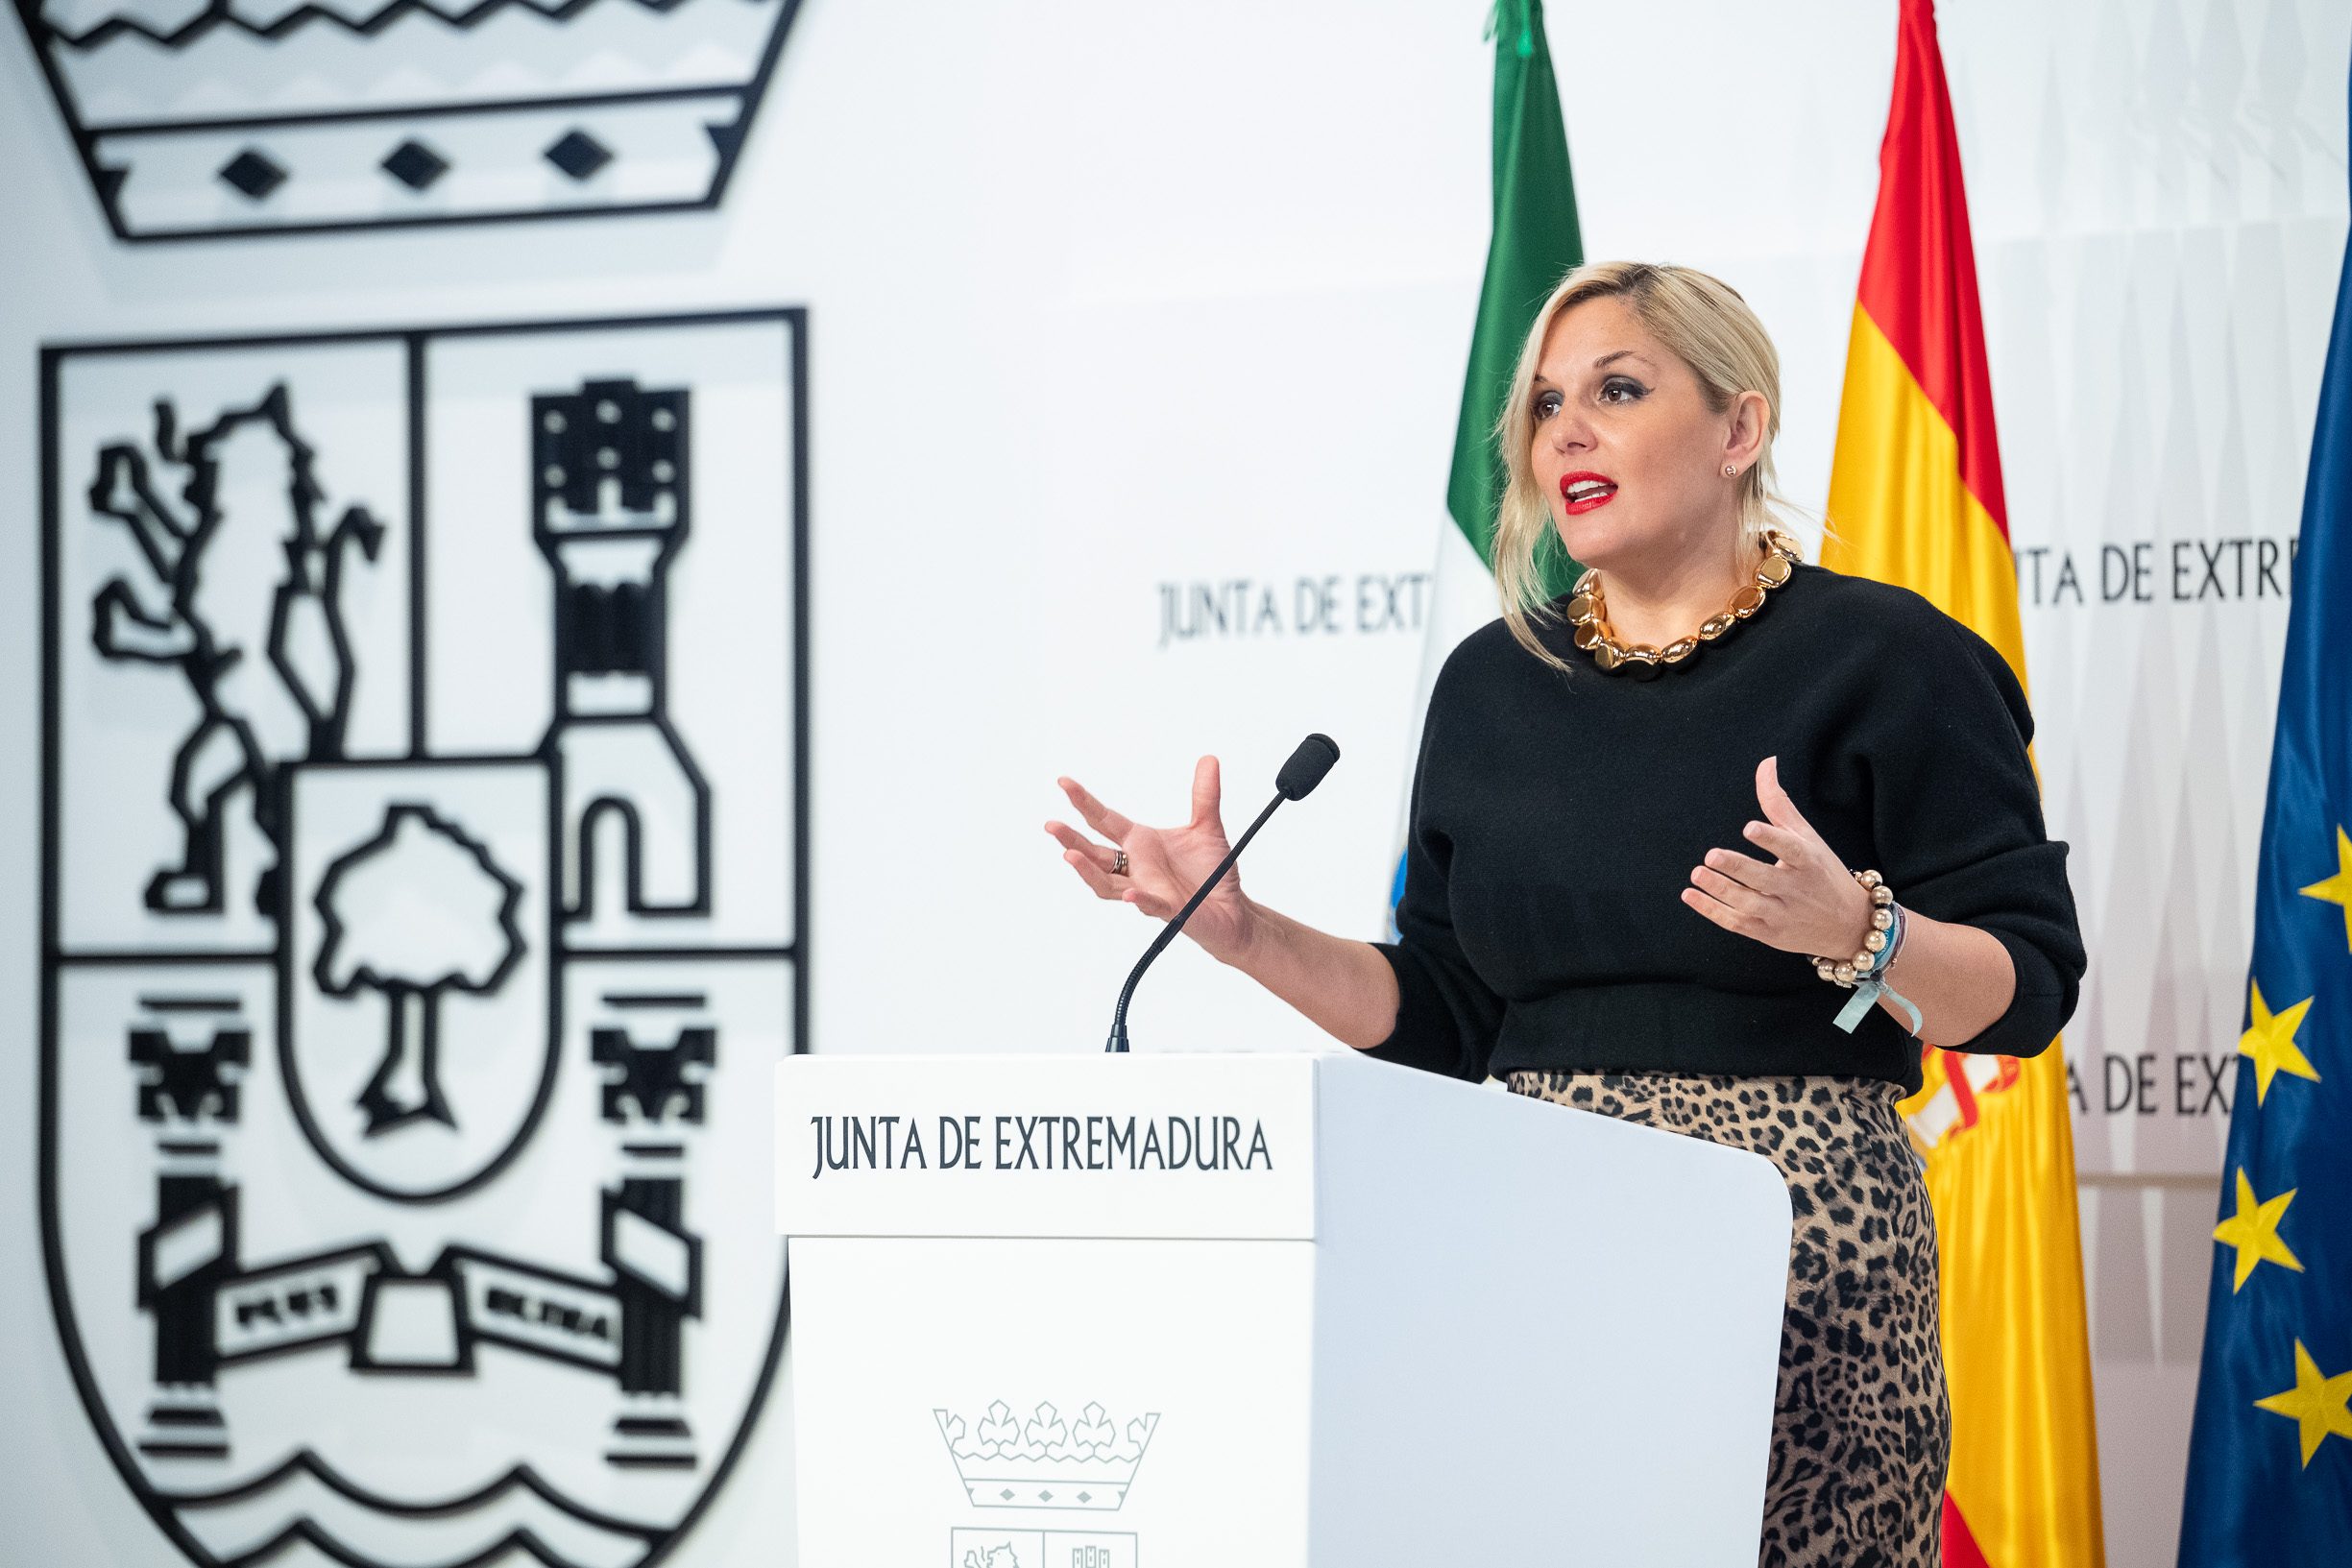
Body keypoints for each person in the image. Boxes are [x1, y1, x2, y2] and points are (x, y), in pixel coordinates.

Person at [1045, 260, 2084, 1567]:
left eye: (1616, 389)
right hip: (1524, 1249)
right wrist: (1243, 932)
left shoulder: (1891, 660)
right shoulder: (1490, 683)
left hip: (1797, 1274)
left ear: (1738, 428)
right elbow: (1445, 1008)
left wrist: (1862, 932)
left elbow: (2028, 987)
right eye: (1543, 405)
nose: (1564, 432)